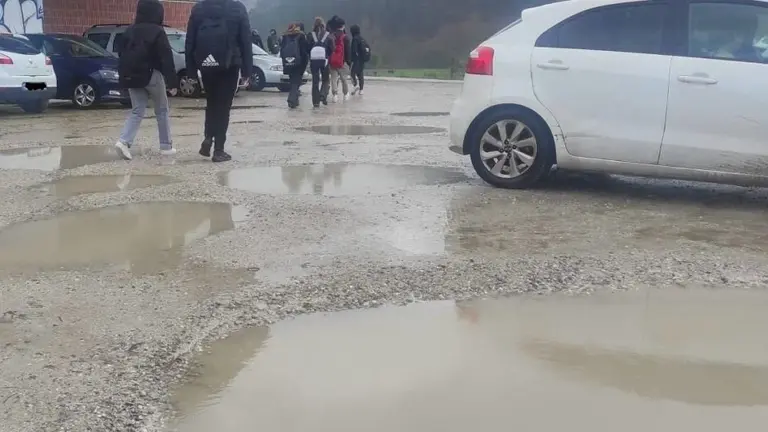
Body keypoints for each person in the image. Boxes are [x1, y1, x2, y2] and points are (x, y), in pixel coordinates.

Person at [185, 0, 252, 163]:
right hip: (230, 65)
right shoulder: (237, 8)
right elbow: (245, 40)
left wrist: (191, 71)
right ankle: (219, 149)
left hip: (207, 64)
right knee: (224, 107)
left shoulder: (198, 9)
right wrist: (247, 70)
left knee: (212, 103)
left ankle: (208, 138)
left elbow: (190, 41)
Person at [115, 0, 179, 161]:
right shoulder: (158, 31)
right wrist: (172, 83)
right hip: (151, 75)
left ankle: (124, 141)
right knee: (162, 110)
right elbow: (166, 58)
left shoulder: (129, 30)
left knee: (137, 110)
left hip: (131, 76)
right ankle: (166, 146)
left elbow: (121, 53)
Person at [306, 17, 333, 108]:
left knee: (315, 80)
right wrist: (327, 56)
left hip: (314, 60)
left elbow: (307, 48)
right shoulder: (328, 35)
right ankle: (323, 94)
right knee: (325, 79)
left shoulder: (310, 35)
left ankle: (315, 102)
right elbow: (331, 48)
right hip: (324, 60)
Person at [280, 23, 308, 109]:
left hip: (288, 62)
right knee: (296, 82)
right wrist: (304, 65)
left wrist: (285, 63)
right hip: (298, 63)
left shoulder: (285, 37)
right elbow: (304, 52)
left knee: (293, 81)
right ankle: (291, 99)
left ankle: (295, 101)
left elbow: (282, 51)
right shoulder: (301, 36)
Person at [327, 15, 350, 102]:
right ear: (342, 26)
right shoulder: (345, 37)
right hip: (342, 61)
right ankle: (345, 94)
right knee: (344, 78)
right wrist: (348, 62)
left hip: (332, 61)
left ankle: (334, 95)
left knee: (333, 78)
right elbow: (348, 51)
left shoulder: (331, 36)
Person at [349, 24, 369, 96]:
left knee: (352, 73)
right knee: (360, 74)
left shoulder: (355, 39)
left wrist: (351, 59)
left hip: (356, 60)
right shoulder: (362, 38)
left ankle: (355, 85)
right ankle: (361, 90)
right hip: (362, 60)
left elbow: (354, 50)